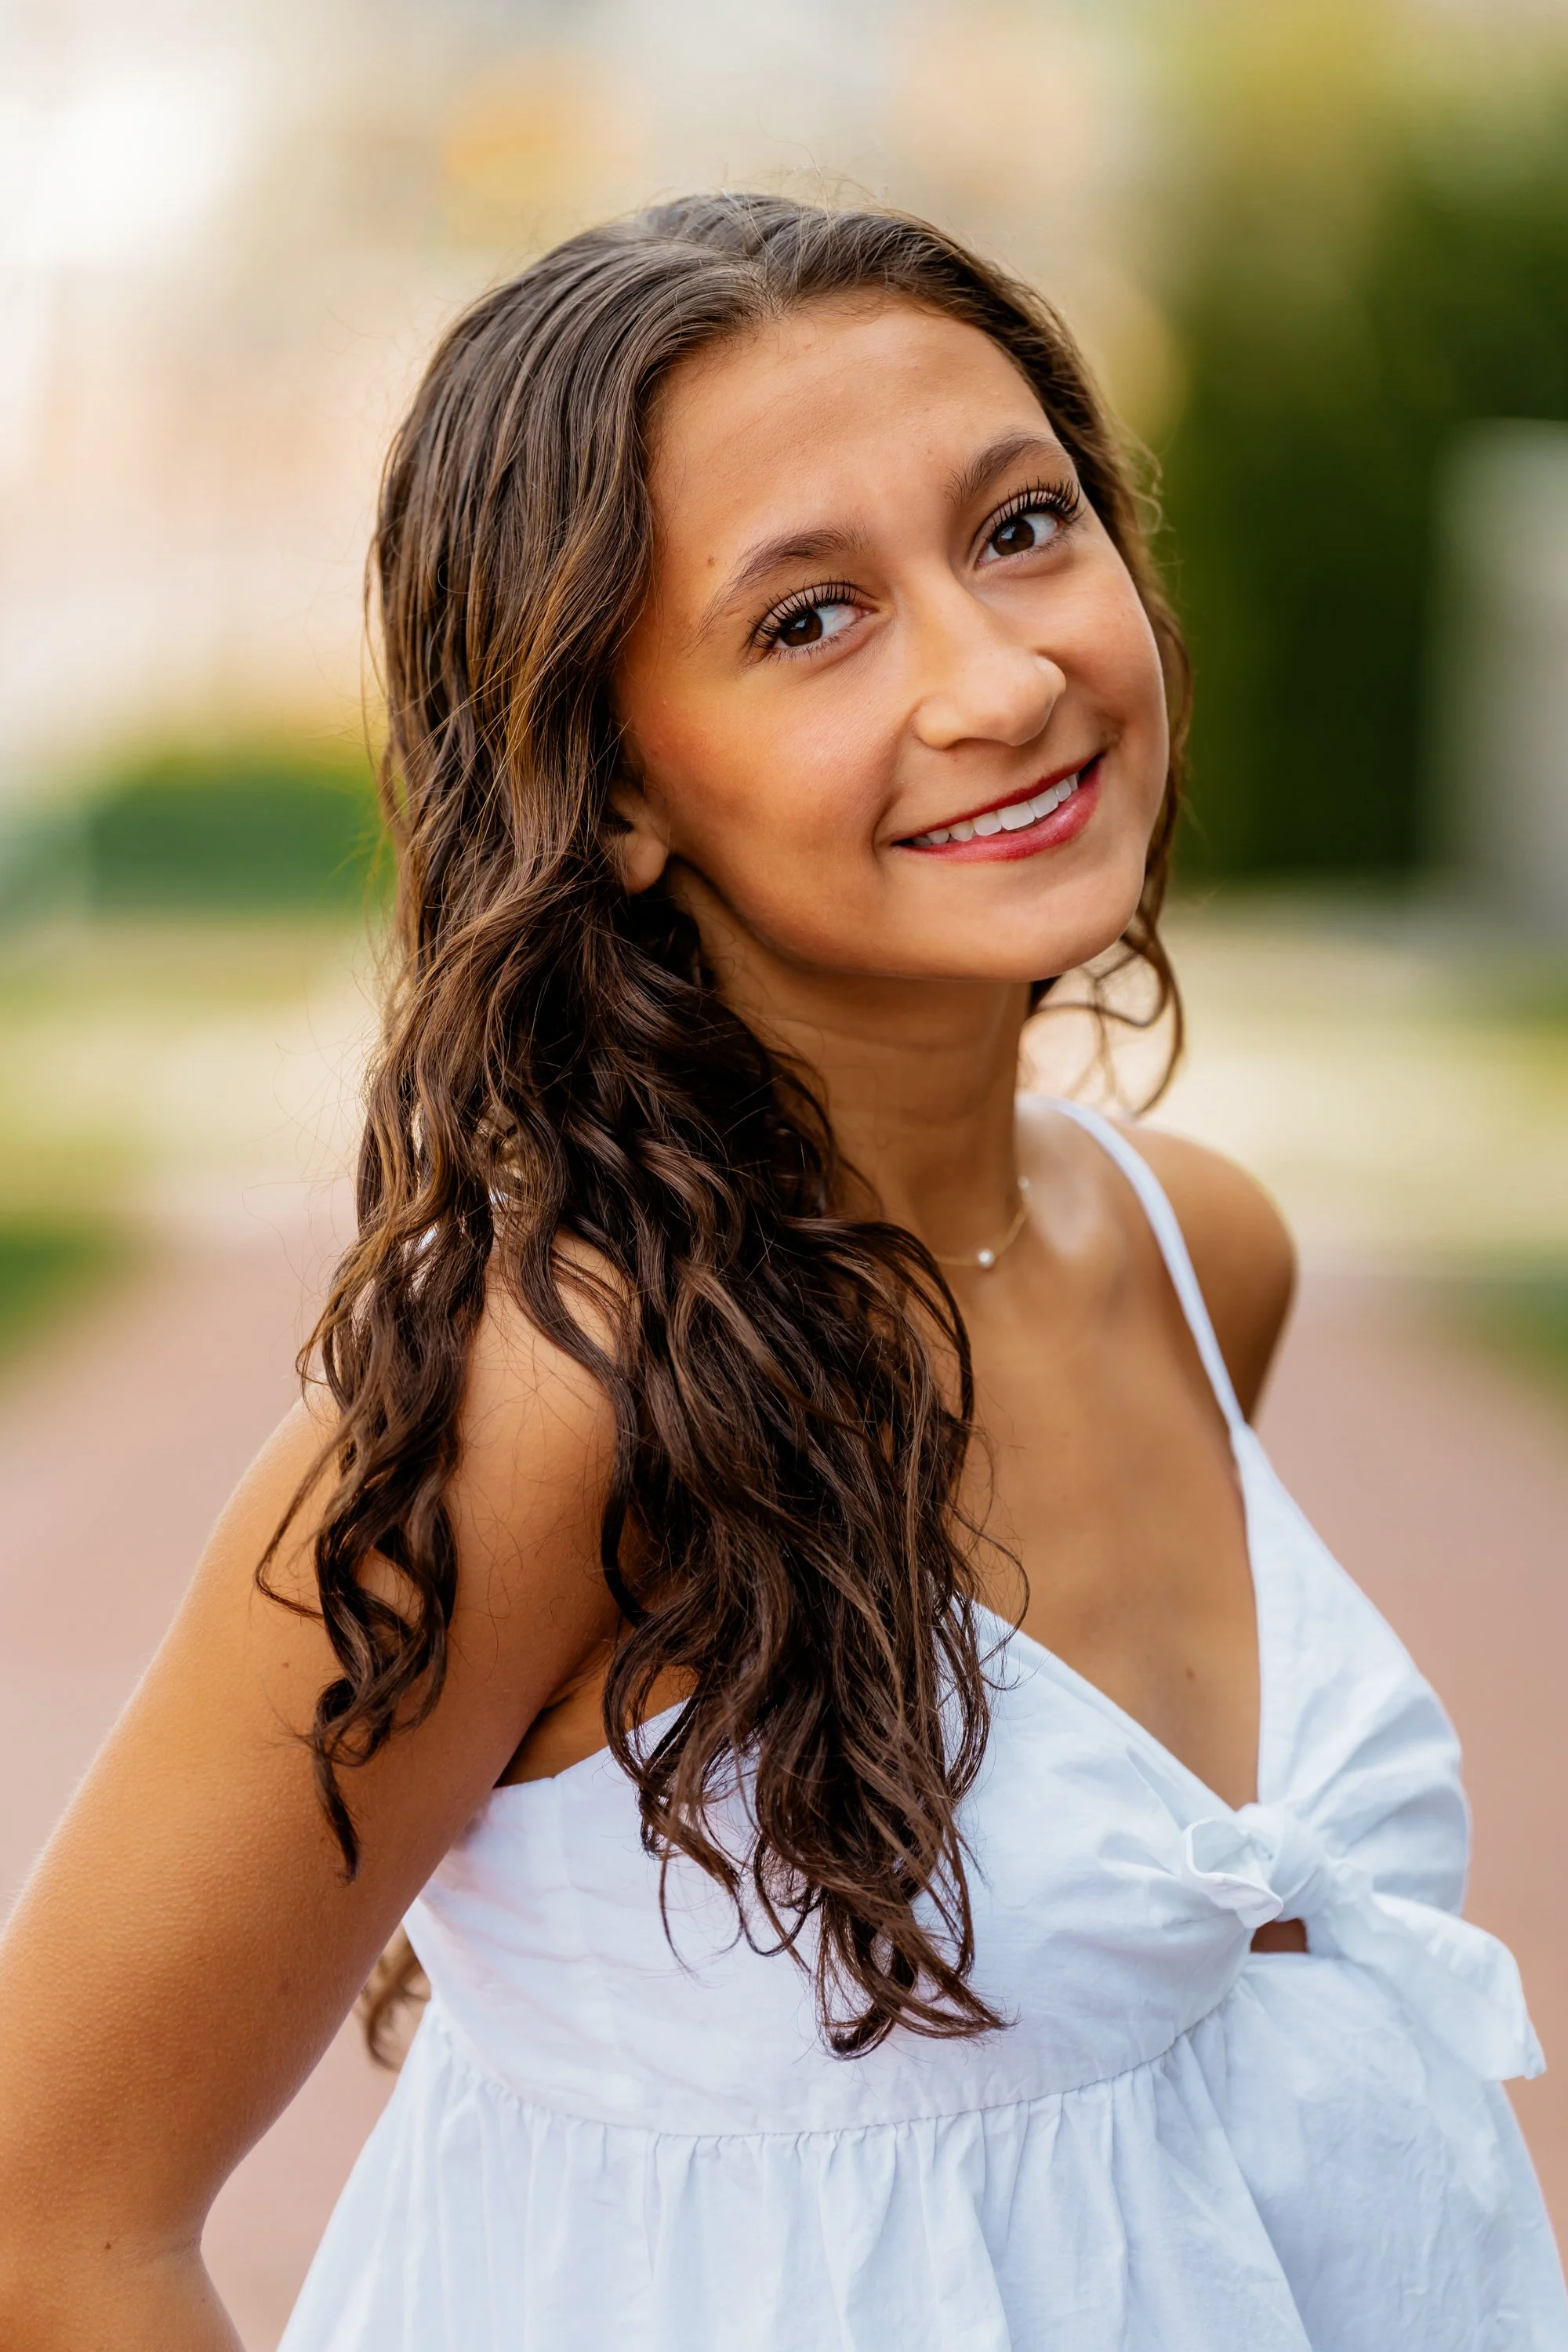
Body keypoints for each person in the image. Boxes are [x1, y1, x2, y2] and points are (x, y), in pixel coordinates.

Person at [0, 193, 1561, 2352]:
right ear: (614, 789)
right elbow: (52, 2225)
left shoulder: (1205, 1253)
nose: (1004, 677)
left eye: (1023, 526)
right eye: (813, 617)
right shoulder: (541, 1404)